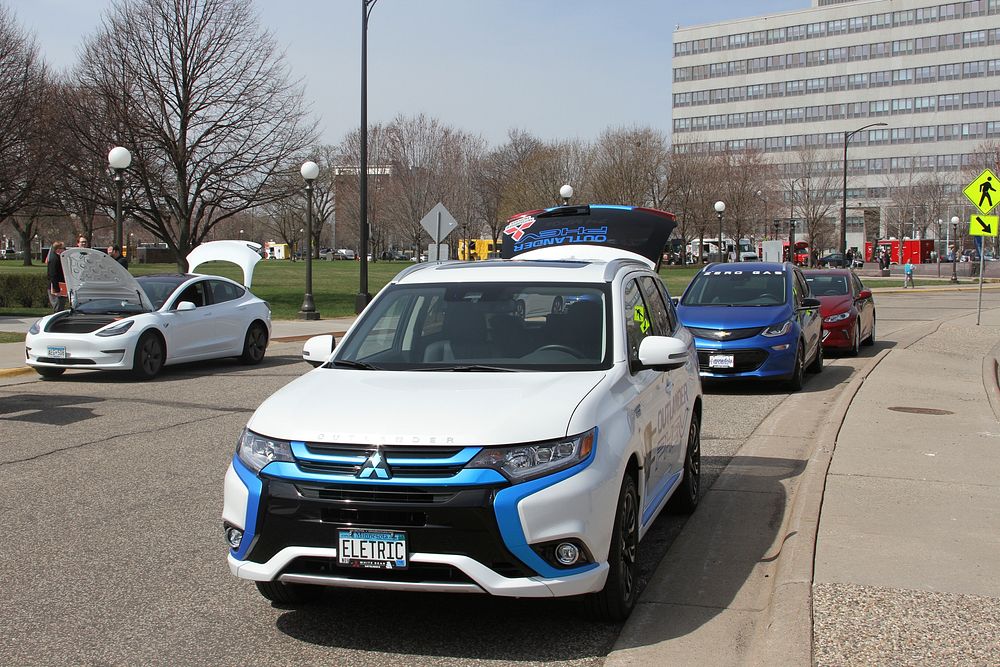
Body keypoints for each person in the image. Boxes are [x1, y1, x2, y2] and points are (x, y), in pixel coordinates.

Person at [47, 241, 68, 312]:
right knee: (58, 307)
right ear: (58, 250)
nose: (65, 250)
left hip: (62, 286)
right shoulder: (54, 260)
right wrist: (57, 290)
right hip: (56, 288)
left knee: (61, 307)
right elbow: (53, 275)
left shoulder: (59, 258)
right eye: (63, 248)